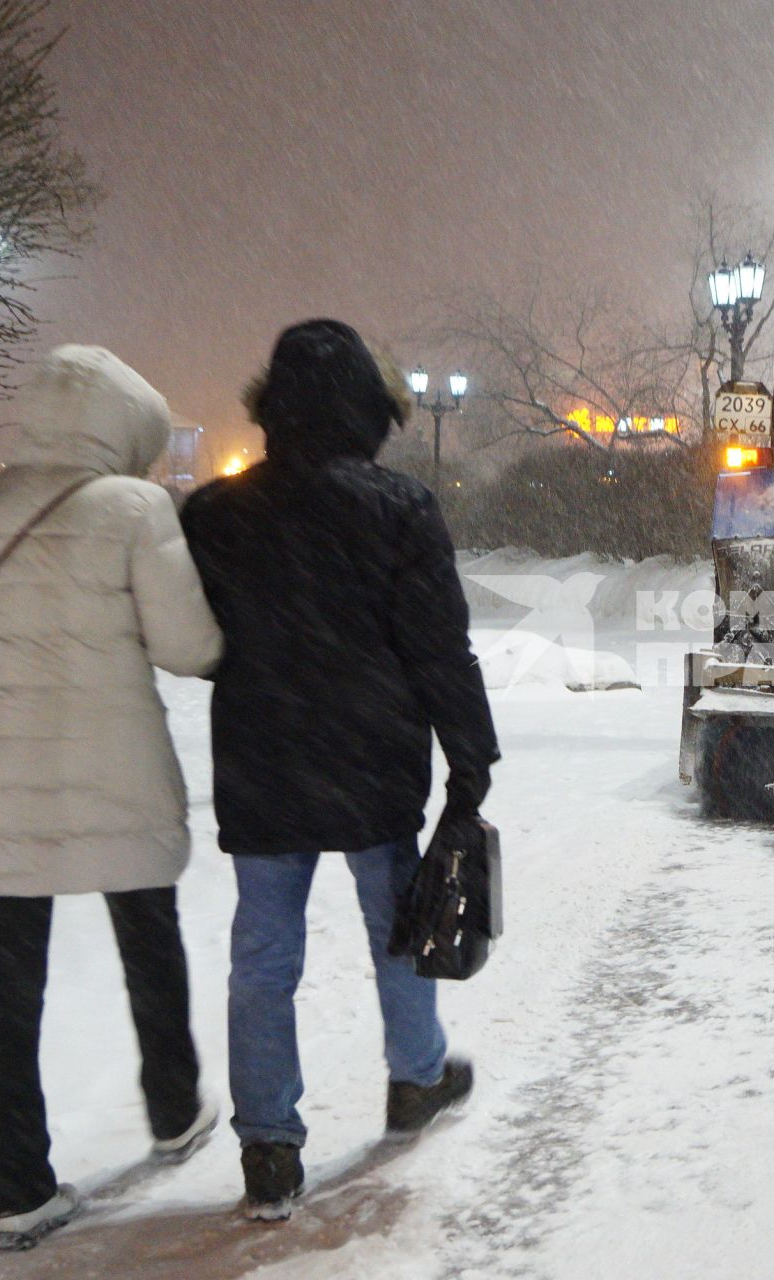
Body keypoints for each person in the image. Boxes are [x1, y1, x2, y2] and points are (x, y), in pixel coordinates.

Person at [180, 319, 499, 1222]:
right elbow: (441, 648)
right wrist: (469, 760)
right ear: (372, 407)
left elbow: (194, 639)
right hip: (371, 760)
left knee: (264, 952)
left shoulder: (212, 515)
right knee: (398, 925)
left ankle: (270, 1146)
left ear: (271, 406)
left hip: (262, 757)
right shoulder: (399, 507)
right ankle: (415, 1078)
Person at [0, 345, 223, 1252]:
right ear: (125, 427)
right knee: (149, 946)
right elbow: (190, 645)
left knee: (6, 990)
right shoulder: (134, 509)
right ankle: (173, 1107)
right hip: (116, 774)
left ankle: (17, 1185)